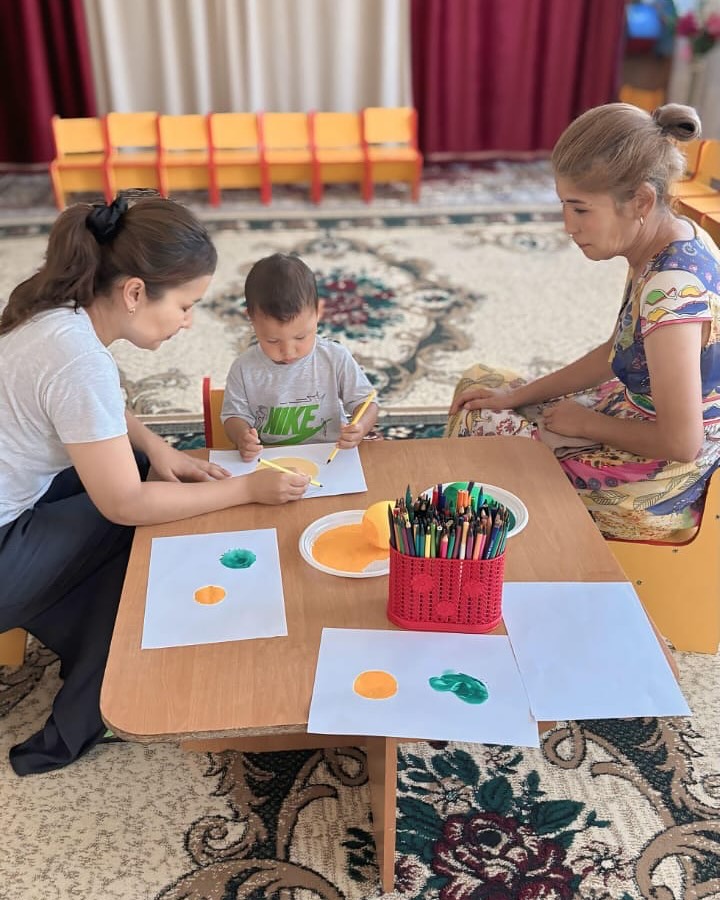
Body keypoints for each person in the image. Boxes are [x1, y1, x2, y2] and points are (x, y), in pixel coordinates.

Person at [0, 195, 310, 777]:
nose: (188, 321)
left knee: (148, 475)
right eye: (186, 305)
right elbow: (125, 504)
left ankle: (86, 646)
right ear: (136, 292)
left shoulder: (55, 312)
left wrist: (156, 447)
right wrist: (245, 492)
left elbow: (94, 410)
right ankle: (84, 713)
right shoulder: (79, 361)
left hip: (13, 515)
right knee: (149, 526)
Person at [447, 102, 720, 541]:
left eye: (580, 210)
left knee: (478, 427)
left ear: (641, 201)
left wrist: (586, 424)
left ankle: (502, 554)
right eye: (564, 206)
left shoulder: (671, 290)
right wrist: (517, 395)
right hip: (639, 415)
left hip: (659, 482)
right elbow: (616, 350)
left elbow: (682, 443)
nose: (568, 226)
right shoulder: (668, 237)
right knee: (482, 386)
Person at [222, 253, 378, 460]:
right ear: (251, 319)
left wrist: (361, 426)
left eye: (300, 337)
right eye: (273, 341)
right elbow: (234, 416)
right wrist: (242, 437)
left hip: (330, 455)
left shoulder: (335, 357)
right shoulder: (244, 368)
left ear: (318, 312)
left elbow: (367, 402)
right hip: (272, 461)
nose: (288, 352)